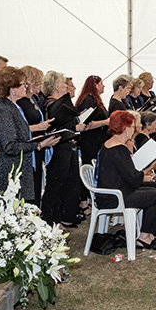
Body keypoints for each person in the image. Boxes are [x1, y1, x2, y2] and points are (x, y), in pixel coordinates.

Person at [95, 110, 156, 250]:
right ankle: (144, 237)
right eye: (133, 126)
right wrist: (150, 167)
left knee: (154, 189)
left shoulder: (109, 144)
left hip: (114, 191)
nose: (134, 130)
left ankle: (149, 235)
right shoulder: (118, 149)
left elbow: (129, 175)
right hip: (114, 197)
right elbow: (134, 179)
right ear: (126, 128)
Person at [0, 67, 59, 200]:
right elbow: (10, 146)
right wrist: (39, 145)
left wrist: (41, 139)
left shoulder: (13, 107)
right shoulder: (4, 110)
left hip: (18, 169)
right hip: (9, 172)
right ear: (12, 89)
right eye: (22, 84)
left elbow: (20, 135)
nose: (26, 87)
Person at [41, 70, 88, 227]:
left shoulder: (58, 103)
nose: (66, 87)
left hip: (66, 146)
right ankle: (50, 221)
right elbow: (55, 127)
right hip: (57, 149)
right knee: (55, 186)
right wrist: (75, 127)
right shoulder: (51, 104)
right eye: (63, 84)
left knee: (65, 184)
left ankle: (58, 219)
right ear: (55, 86)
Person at [16, 65, 53, 206]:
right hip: (28, 146)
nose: (40, 86)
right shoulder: (20, 102)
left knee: (37, 182)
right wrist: (38, 127)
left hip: (38, 145)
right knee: (30, 184)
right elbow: (18, 128)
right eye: (37, 83)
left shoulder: (33, 100)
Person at [76, 75, 111, 166]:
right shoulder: (87, 101)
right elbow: (86, 124)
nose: (103, 86)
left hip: (98, 140)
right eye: (101, 84)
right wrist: (105, 122)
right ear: (95, 85)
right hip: (91, 142)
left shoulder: (95, 100)